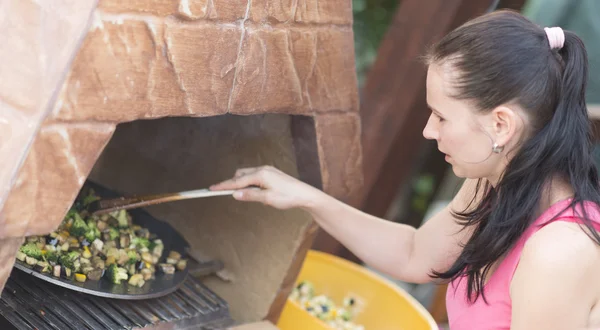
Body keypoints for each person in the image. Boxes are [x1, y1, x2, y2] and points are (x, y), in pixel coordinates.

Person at [210, 10, 600, 330]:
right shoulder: (493, 181)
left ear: (501, 125)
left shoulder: (559, 252)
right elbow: (415, 254)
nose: (429, 131)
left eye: (442, 117)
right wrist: (306, 198)